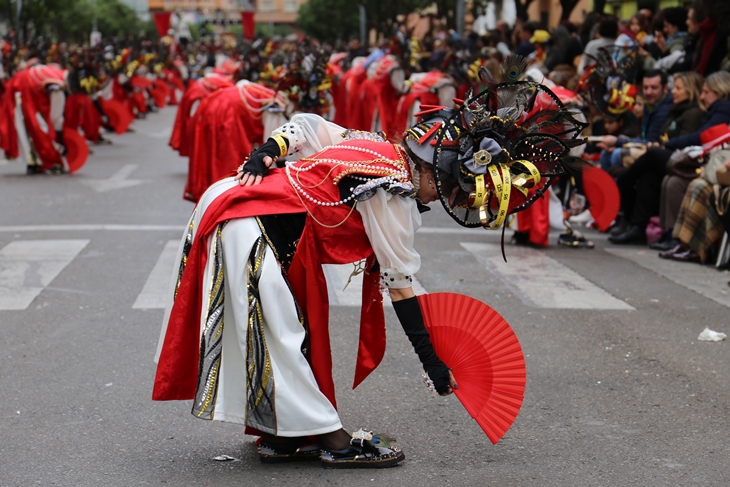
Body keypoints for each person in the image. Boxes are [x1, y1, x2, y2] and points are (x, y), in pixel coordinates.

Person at [152, 70, 586, 467]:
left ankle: (282, 436)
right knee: (281, 337)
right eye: (452, 189)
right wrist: (432, 362)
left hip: (246, 211)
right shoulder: (394, 191)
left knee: (286, 332)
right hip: (252, 226)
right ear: (435, 172)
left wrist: (271, 148)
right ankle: (330, 438)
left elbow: (305, 125)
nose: (446, 199)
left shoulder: (376, 144)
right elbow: (401, 285)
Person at [610, 71, 730, 244]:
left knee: (651, 157)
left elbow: (703, 137)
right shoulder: (682, 110)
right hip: (693, 157)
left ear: (719, 91)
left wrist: (666, 145)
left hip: (700, 160)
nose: (674, 92)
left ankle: (624, 185)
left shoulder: (716, 110)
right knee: (649, 176)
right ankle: (638, 227)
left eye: (678, 88)